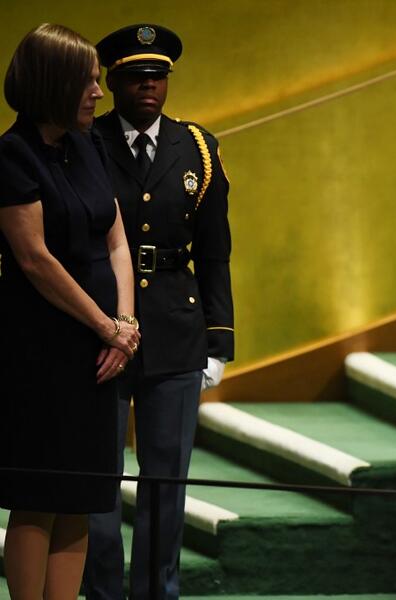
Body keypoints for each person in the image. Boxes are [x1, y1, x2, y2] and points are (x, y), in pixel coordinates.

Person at [84, 24, 234, 600]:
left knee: (166, 478)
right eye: (135, 76)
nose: (149, 85)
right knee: (98, 475)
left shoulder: (196, 147)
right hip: (99, 324)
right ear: (113, 81)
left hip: (176, 324)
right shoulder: (86, 141)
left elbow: (216, 250)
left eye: (158, 75)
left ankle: (156, 593)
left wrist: (219, 339)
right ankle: (101, 591)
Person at [0, 23, 140, 600]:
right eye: (88, 81)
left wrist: (125, 327)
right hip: (41, 350)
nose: (99, 92)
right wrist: (105, 325)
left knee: (83, 496)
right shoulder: (12, 155)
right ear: (54, 83)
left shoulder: (87, 145)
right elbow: (35, 260)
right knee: (39, 499)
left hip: (99, 351)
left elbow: (116, 240)